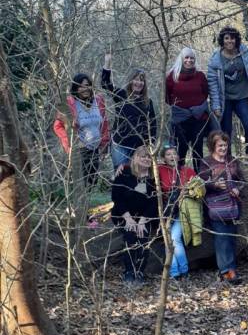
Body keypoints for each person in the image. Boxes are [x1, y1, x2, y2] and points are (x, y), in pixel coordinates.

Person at [207, 26, 248, 166]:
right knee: (226, 131)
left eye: (232, 38)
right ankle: (228, 159)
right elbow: (212, 84)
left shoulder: (244, 51)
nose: (229, 41)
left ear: (236, 39)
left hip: (242, 97)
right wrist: (216, 105)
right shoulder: (216, 59)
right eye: (226, 38)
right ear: (222, 40)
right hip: (226, 100)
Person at [199, 130, 245, 284]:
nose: (223, 148)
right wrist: (214, 185)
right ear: (213, 146)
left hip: (232, 207)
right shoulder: (206, 162)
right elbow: (201, 185)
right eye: (220, 145)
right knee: (222, 239)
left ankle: (230, 269)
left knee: (231, 239)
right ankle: (227, 272)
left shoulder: (232, 161)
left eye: (225, 145)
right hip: (216, 209)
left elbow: (242, 180)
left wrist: (238, 188)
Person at [111, 146, 158, 285]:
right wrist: (128, 218)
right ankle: (129, 272)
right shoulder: (124, 173)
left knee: (143, 237)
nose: (146, 159)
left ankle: (140, 272)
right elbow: (117, 197)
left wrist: (143, 220)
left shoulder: (153, 178)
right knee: (130, 235)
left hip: (144, 216)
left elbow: (154, 202)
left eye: (149, 156)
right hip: (124, 214)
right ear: (135, 158)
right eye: (142, 156)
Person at [53, 73, 110, 187]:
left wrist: (104, 144)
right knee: (81, 183)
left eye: (87, 85)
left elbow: (104, 123)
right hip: (80, 149)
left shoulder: (98, 101)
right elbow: (57, 126)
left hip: (95, 149)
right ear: (75, 88)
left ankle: (89, 204)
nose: (85, 89)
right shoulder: (70, 103)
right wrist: (69, 145)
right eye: (81, 86)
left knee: (92, 182)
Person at [102, 53, 157, 169]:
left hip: (139, 148)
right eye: (136, 79)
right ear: (131, 81)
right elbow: (105, 84)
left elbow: (152, 125)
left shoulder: (147, 102)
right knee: (120, 175)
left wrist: (150, 143)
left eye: (142, 80)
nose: (139, 83)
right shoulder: (121, 95)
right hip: (120, 146)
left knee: (138, 177)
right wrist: (107, 63)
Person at [166, 47, 210, 173]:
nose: (189, 60)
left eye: (192, 58)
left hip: (198, 119)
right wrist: (182, 109)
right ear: (181, 59)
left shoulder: (200, 76)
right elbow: (167, 97)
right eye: (186, 57)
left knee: (198, 149)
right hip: (180, 120)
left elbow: (205, 93)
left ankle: (199, 178)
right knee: (181, 150)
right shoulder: (172, 76)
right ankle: (181, 180)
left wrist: (195, 108)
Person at [158, 143, 196, 280]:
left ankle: (181, 271)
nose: (172, 156)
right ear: (163, 158)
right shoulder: (159, 170)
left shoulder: (188, 171)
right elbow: (140, 168)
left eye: (174, 153)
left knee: (173, 238)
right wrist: (123, 166)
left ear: (179, 156)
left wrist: (186, 191)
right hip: (167, 211)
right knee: (167, 238)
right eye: (168, 154)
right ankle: (176, 273)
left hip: (184, 210)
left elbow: (198, 189)